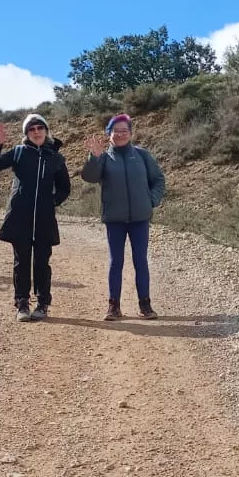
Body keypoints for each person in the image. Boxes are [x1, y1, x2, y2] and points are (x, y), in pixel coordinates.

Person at [81, 113, 166, 321]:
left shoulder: (142, 155)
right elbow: (89, 177)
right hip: (115, 219)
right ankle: (114, 306)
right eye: (116, 131)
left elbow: (158, 180)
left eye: (124, 131)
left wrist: (151, 199)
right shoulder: (103, 157)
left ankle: (145, 305)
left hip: (139, 218)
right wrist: (94, 157)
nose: (120, 135)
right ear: (109, 134)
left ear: (130, 133)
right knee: (115, 262)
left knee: (140, 261)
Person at [0, 114, 70, 322]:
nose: (36, 131)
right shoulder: (18, 152)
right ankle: (22, 303)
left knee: (42, 262)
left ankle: (43, 303)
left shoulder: (55, 157)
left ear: (46, 130)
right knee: (21, 261)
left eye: (39, 127)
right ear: (26, 134)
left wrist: (53, 201)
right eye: (31, 129)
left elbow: (64, 187)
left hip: (44, 218)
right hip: (20, 216)